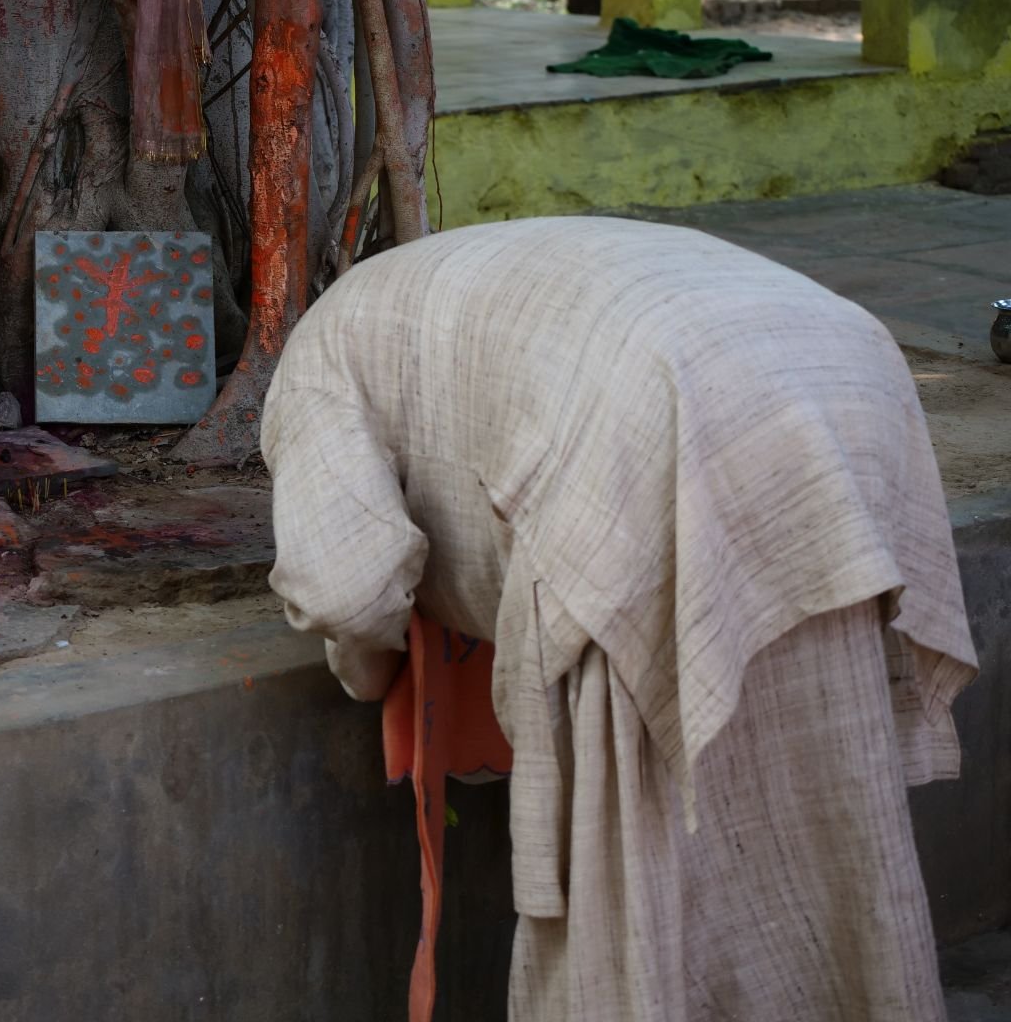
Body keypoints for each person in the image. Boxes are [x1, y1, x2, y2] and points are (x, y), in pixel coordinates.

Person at [260, 216, 978, 1022]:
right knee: (829, 800)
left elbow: (344, 587)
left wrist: (372, 674)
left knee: (640, 870)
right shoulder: (441, 279)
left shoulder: (312, 363)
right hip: (847, 376)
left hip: (646, 426)